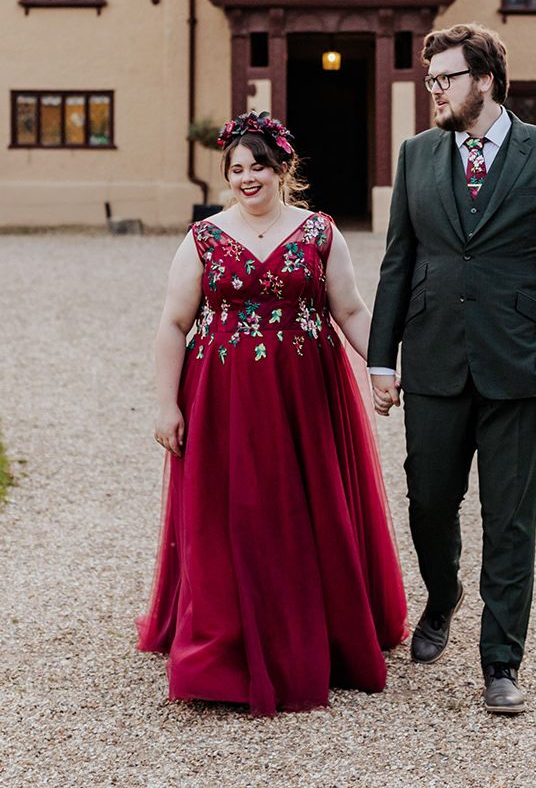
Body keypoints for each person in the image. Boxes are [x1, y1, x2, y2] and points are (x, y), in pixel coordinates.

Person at [137, 111, 407, 716]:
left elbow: (352, 311)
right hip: (223, 397)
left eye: (258, 165)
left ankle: (321, 629)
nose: (246, 178)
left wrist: (384, 367)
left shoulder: (319, 232)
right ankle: (221, 642)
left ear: (283, 168)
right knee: (231, 509)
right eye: (235, 169)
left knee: (303, 504)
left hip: (305, 396)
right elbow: (174, 323)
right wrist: (164, 403)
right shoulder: (203, 237)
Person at [368, 22, 536, 715]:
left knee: (512, 520)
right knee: (430, 502)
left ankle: (501, 661)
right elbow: (398, 261)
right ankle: (443, 594)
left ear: (486, 81)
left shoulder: (535, 153)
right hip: (434, 357)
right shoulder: (416, 155)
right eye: (431, 78)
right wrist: (382, 357)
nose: (434, 89)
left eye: (446, 78)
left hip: (518, 363)